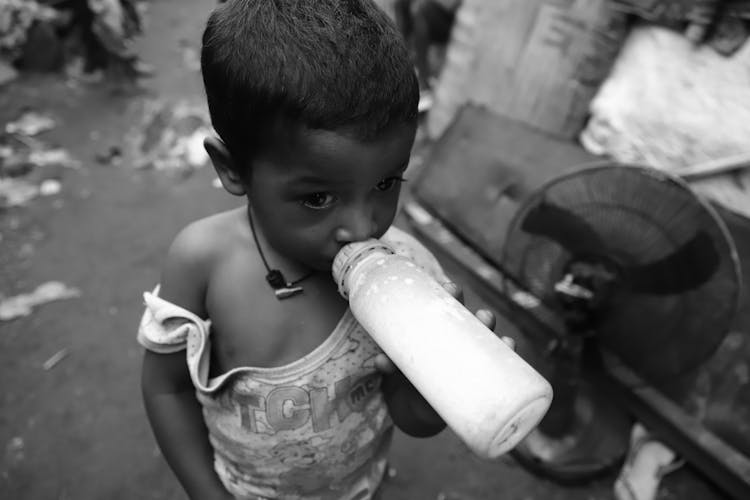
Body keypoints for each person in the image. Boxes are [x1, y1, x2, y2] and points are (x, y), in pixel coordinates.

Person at [138, 1, 496, 499]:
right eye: (317, 198)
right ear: (233, 169)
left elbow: (410, 419)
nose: (363, 226)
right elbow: (167, 388)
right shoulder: (203, 264)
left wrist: (436, 392)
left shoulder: (409, 277)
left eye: (387, 182)